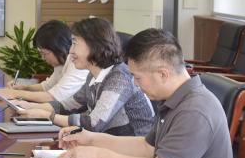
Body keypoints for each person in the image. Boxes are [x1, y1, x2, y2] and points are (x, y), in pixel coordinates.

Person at [58, 28, 234, 158]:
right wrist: (91, 139)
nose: (135, 84)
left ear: (163, 73)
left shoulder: (195, 110)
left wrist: (98, 156)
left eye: (137, 77)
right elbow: (146, 148)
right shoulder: (178, 99)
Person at [11, 17, 153, 136]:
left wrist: (49, 116)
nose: (70, 51)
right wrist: (29, 107)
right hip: (108, 145)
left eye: (74, 43)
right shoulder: (93, 76)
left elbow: (94, 123)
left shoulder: (119, 77)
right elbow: (69, 105)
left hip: (133, 150)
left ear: (95, 45)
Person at [0, 19, 88, 103]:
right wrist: (24, 88)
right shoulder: (61, 63)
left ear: (58, 47)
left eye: (44, 53)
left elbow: (53, 97)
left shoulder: (77, 64)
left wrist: (15, 94)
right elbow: (47, 86)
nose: (43, 58)